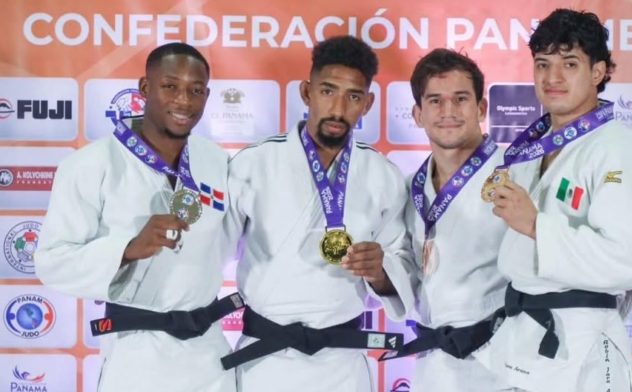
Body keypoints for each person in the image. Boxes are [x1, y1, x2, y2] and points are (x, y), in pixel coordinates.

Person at [35, 43, 238, 392]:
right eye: (170, 86)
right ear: (145, 88)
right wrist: (128, 248)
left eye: (196, 90)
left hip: (208, 353)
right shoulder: (89, 165)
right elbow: (51, 262)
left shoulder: (217, 161)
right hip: (135, 354)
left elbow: (234, 242)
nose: (184, 101)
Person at [481, 9, 632, 392]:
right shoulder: (533, 147)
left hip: (582, 343)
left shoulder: (618, 150)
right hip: (523, 335)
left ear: (598, 73)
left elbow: (624, 261)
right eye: (542, 64)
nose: (553, 78)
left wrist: (534, 225)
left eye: (569, 64)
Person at [223, 35, 414, 392]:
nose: (338, 108)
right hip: (266, 361)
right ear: (306, 92)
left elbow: (401, 264)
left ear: (368, 103)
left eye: (353, 96)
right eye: (328, 91)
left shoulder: (384, 176)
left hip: (342, 364)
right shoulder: (253, 164)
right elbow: (213, 250)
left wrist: (381, 270)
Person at [379, 48, 508, 391]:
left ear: (481, 108)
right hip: (434, 365)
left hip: (501, 363)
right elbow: (410, 270)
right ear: (418, 114)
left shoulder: (516, 176)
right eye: (435, 101)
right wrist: (378, 272)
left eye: (460, 99)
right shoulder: (411, 188)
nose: (448, 111)